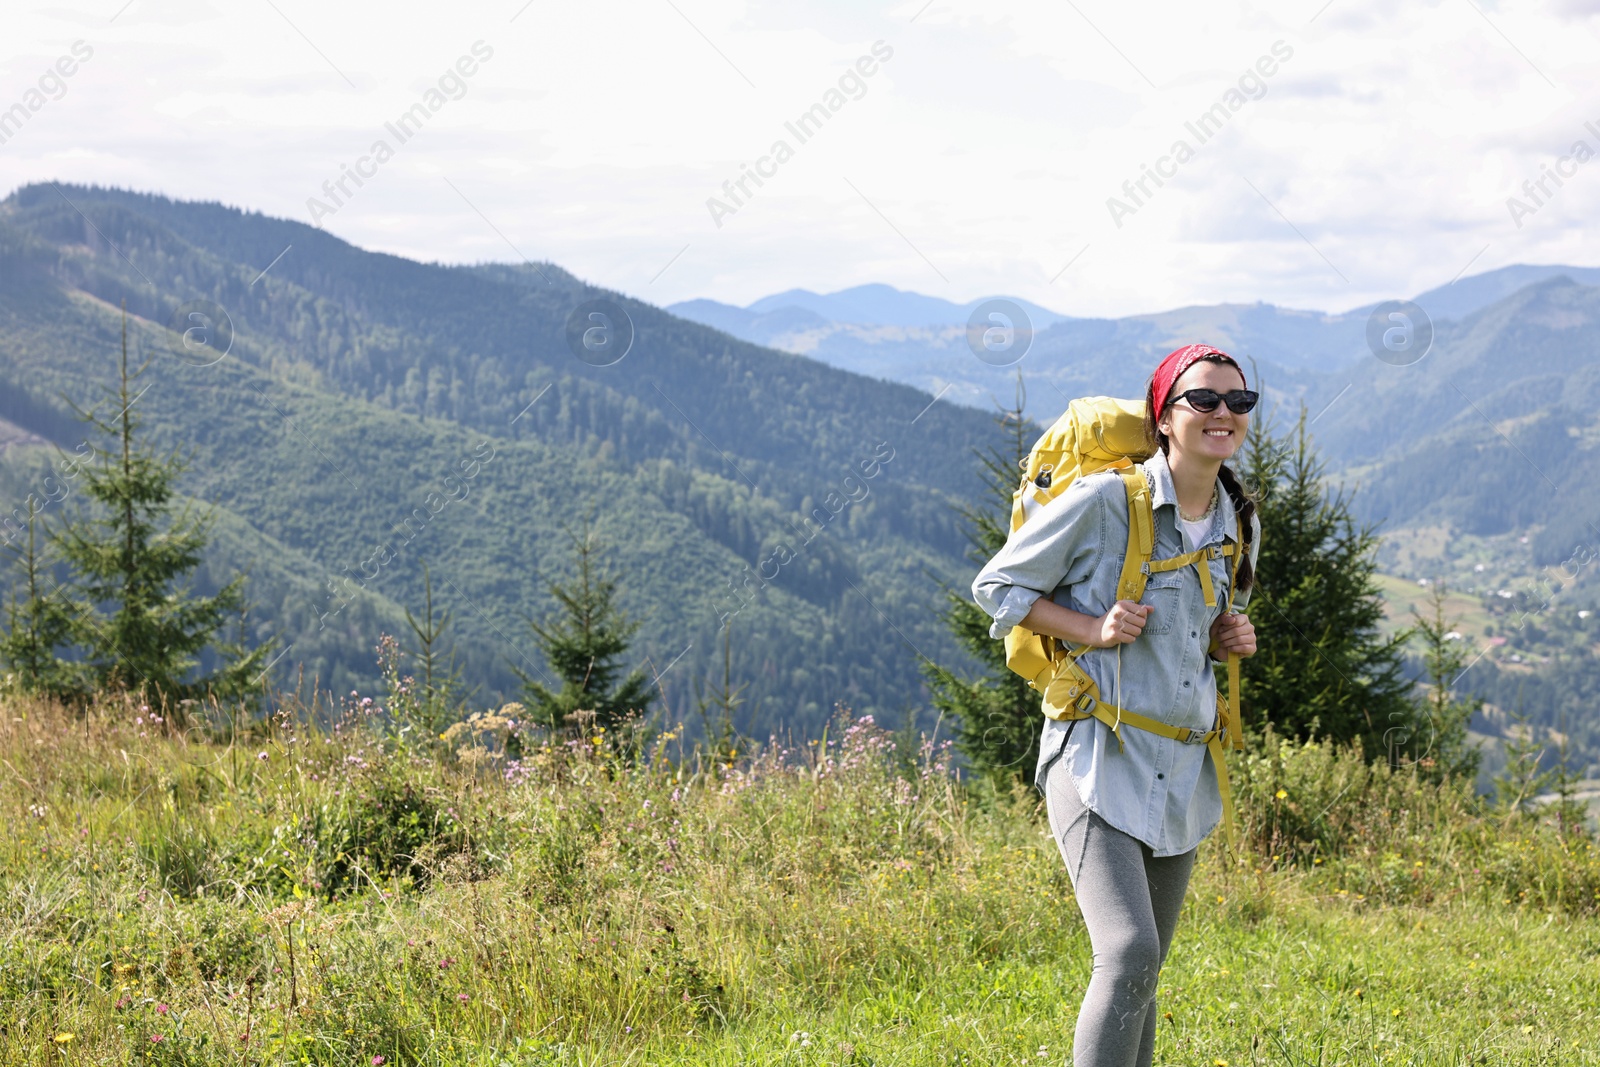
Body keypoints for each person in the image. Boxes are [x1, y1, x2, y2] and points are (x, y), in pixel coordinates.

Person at [971, 344, 1262, 1067]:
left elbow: (1199, 632)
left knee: (1145, 966)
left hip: (1181, 765)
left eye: (1238, 401)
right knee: (1128, 949)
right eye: (1203, 399)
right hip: (1096, 752)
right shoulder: (1111, 501)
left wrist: (1230, 635)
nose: (1223, 413)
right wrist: (1090, 628)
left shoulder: (1236, 520)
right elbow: (998, 588)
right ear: (1164, 416)